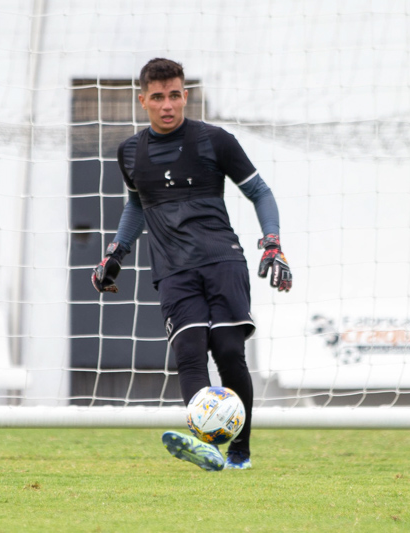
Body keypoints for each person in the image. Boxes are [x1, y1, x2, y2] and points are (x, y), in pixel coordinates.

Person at [91, 58, 292, 471]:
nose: (168, 105)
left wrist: (272, 242)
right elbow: (137, 205)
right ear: (143, 99)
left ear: (186, 95)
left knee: (229, 352)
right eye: (159, 97)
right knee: (188, 351)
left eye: (176, 95)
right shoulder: (129, 152)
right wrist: (117, 251)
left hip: (222, 260)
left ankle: (240, 450)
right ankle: (208, 447)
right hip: (172, 269)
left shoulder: (215, 140)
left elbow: (261, 192)